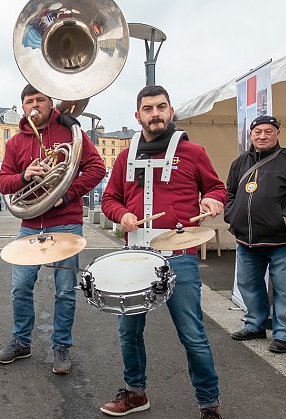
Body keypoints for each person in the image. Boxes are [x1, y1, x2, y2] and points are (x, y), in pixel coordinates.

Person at [100, 85, 226, 418]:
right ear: (137, 115)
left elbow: (215, 187)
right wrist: (121, 214)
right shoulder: (126, 156)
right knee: (129, 332)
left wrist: (214, 199)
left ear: (170, 112)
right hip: (135, 256)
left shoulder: (194, 152)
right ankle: (135, 392)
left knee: (192, 333)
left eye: (161, 107)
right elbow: (109, 198)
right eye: (148, 108)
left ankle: (209, 404)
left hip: (179, 256)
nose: (155, 114)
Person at [0, 84, 105, 374]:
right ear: (22, 106)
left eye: (39, 99)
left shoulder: (71, 134)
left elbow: (96, 168)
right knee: (20, 286)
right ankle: (21, 341)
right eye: (29, 100)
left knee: (66, 290)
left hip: (66, 220)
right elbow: (3, 183)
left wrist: (66, 194)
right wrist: (24, 175)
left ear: (49, 102)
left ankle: (61, 346)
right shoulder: (15, 142)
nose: (34, 105)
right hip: (30, 223)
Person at [225, 115, 286, 354]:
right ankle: (255, 325)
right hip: (246, 239)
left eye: (268, 131)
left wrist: (284, 217)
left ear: (277, 133)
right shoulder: (240, 162)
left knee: (285, 289)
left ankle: (285, 335)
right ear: (251, 134)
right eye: (258, 132)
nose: (262, 136)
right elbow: (230, 193)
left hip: (280, 239)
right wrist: (231, 215)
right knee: (248, 285)